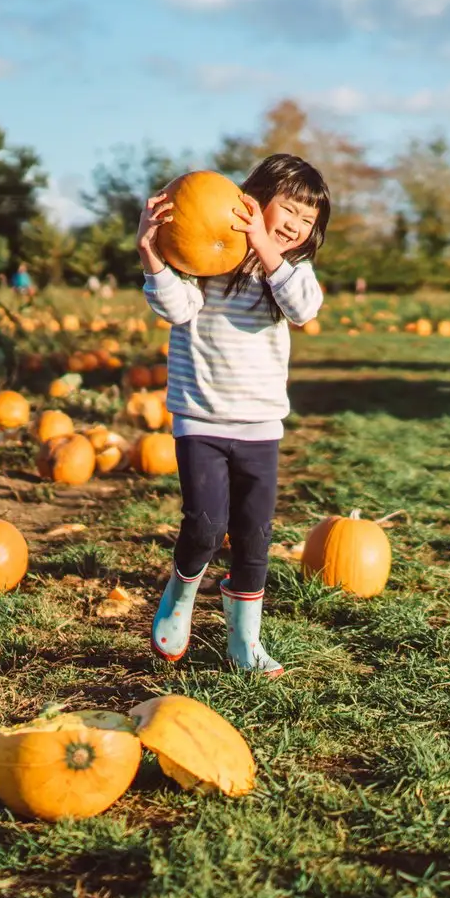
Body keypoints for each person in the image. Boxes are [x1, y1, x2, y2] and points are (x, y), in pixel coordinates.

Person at [137, 153, 329, 675]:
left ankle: (245, 642)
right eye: (287, 209)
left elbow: (304, 308)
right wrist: (152, 255)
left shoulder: (291, 272)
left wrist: (268, 252)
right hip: (200, 418)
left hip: (260, 425)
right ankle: (180, 596)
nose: (294, 225)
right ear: (253, 201)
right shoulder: (207, 262)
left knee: (253, 537)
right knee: (203, 525)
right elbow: (176, 309)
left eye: (306, 220)